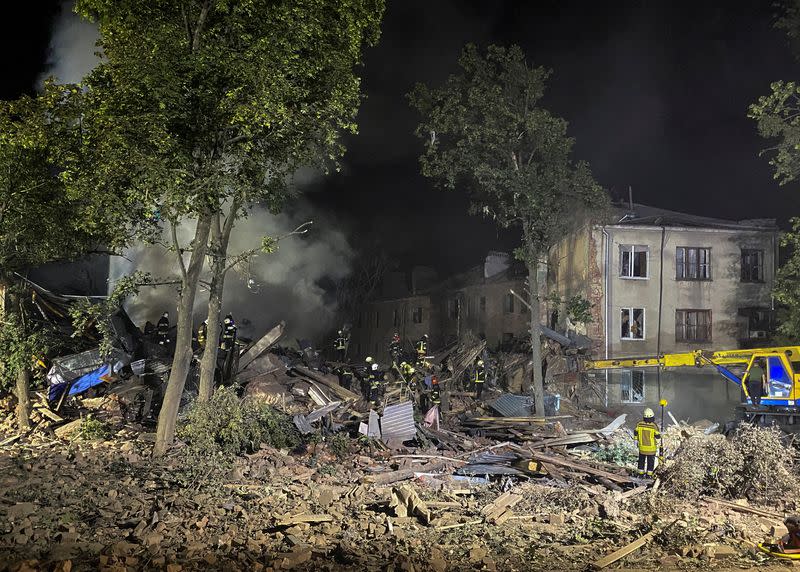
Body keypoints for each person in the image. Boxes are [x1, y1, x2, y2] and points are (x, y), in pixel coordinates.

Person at [634, 408, 661, 477]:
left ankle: (640, 474)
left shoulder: (639, 424)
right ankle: (649, 475)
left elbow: (635, 433)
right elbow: (657, 437)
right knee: (650, 462)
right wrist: (658, 444)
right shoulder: (654, 426)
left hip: (642, 448)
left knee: (641, 461)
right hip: (651, 449)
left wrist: (635, 440)